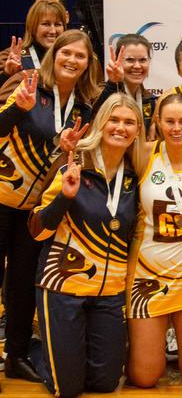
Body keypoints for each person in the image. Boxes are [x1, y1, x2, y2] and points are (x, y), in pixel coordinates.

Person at [0, 29, 100, 382]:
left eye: (80, 56)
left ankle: (15, 355)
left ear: (88, 64)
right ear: (53, 55)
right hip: (0, 198)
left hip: (32, 210)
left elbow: (57, 161)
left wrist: (65, 148)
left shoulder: (84, 108)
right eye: (66, 53)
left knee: (24, 281)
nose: (72, 60)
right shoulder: (27, 83)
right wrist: (17, 110)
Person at [28, 93, 142, 397]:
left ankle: (67, 355)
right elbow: (37, 231)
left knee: (105, 383)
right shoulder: (73, 166)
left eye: (129, 122)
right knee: (67, 388)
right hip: (63, 287)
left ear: (137, 131)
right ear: (101, 124)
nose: (121, 127)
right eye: (114, 120)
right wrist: (64, 197)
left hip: (110, 293)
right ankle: (37, 350)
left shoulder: (135, 177)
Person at [126, 93, 182, 387]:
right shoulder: (142, 154)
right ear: (158, 122)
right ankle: (145, 343)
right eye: (170, 122)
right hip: (146, 277)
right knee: (144, 377)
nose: (177, 128)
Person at [95, 34, 159, 139]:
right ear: (117, 60)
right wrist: (113, 82)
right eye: (130, 60)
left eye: (142, 60)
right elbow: (96, 118)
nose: (137, 66)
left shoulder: (150, 101)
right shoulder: (102, 93)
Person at [0, 0, 67, 85]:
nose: (53, 31)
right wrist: (6, 74)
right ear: (33, 27)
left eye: (58, 24)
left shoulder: (70, 58)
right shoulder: (10, 57)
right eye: (46, 24)